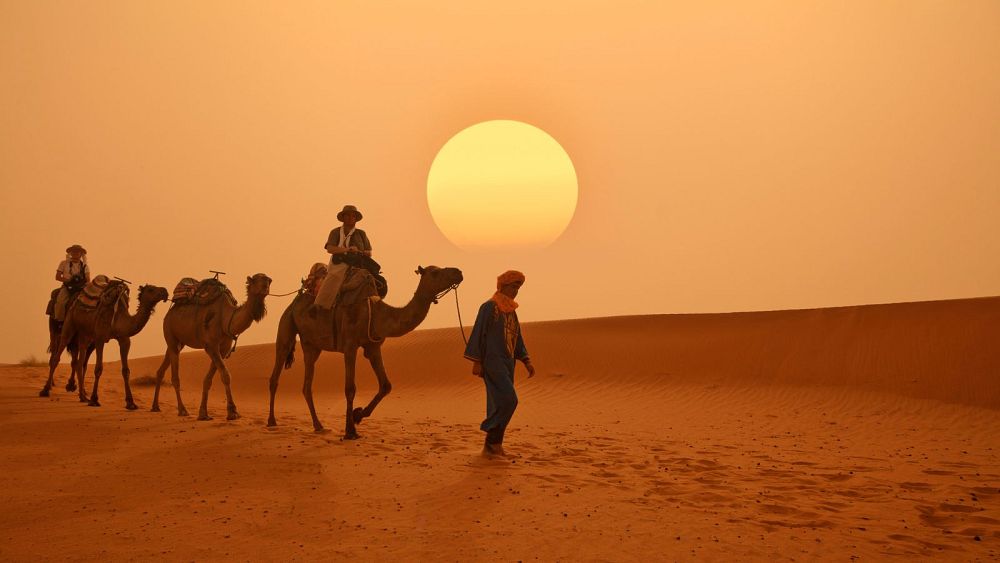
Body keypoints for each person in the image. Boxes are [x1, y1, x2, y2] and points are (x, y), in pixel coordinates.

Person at [464, 270, 536, 457]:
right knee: (509, 400)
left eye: (518, 288)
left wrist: (526, 360)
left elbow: (516, 336)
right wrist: (477, 361)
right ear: (503, 286)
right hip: (492, 362)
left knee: (499, 402)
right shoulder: (489, 307)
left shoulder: (510, 311)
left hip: (507, 363)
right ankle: (490, 435)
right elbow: (479, 333)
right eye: (513, 286)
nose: (516, 291)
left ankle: (494, 446)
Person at [312, 205, 372, 313]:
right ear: (343, 217)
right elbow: (330, 248)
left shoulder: (361, 234)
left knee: (374, 281)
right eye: (348, 215)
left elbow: (369, 252)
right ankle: (320, 307)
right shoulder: (335, 232)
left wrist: (359, 251)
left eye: (353, 216)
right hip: (339, 263)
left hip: (358, 264)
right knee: (333, 279)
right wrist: (347, 249)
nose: (350, 218)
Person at [53, 244, 91, 322]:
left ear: (81, 254)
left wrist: (82, 284)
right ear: (70, 253)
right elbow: (57, 277)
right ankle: (59, 321)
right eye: (74, 252)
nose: (75, 253)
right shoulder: (64, 263)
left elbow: (88, 279)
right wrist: (69, 280)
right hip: (67, 287)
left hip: (81, 288)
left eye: (78, 252)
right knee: (61, 303)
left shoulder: (84, 266)